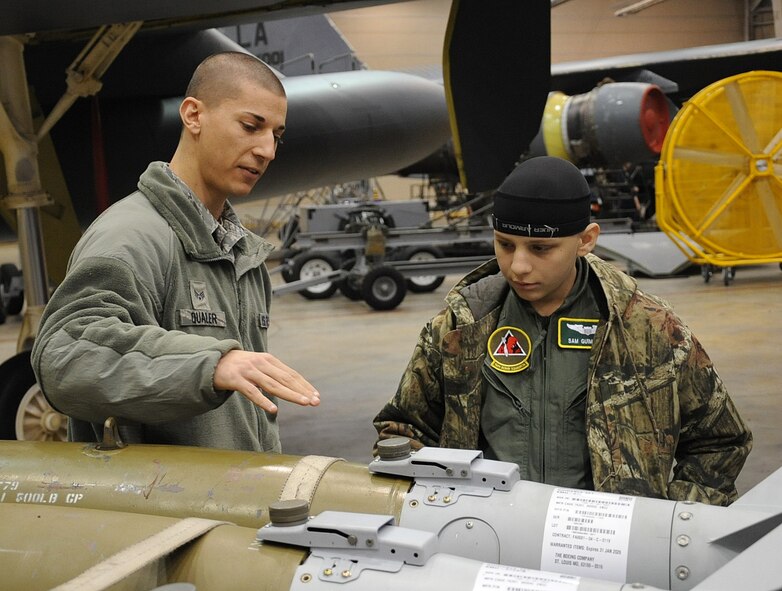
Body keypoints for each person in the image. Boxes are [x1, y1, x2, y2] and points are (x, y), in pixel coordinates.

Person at [373, 156, 752, 505]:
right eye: (505, 244)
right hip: (491, 538)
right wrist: (442, 508)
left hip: (605, 546)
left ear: (585, 240)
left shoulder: (647, 328)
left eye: (541, 248)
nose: (518, 265)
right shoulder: (462, 326)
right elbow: (403, 430)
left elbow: (720, 440)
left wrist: (667, 520)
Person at [31, 51, 319, 451]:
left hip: (235, 504)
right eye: (251, 126)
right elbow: (65, 357)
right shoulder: (129, 237)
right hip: (164, 508)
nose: (267, 150)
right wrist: (211, 363)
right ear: (193, 115)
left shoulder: (241, 255)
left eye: (276, 135)